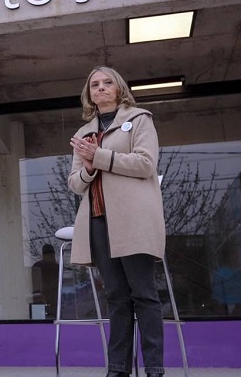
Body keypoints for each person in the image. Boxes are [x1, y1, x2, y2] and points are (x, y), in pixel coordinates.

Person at [68, 66, 166, 377]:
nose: (100, 87)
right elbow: (75, 183)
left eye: (107, 82)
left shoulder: (139, 119)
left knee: (144, 294)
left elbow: (146, 164)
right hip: (98, 221)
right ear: (89, 94)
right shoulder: (83, 134)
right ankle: (117, 370)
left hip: (134, 220)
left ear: (119, 87)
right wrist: (88, 167)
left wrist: (99, 157)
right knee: (116, 298)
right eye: (94, 84)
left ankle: (154, 369)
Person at [31, 243, 59, 318]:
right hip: (39, 303)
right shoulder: (37, 267)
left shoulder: (57, 268)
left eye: (52, 255)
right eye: (48, 255)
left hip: (55, 305)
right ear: (43, 255)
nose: (50, 257)